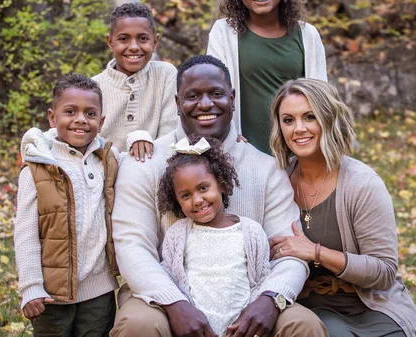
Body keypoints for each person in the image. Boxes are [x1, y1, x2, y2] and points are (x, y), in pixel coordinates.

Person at [110, 55, 328, 337]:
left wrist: (270, 298)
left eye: (216, 94)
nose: (205, 104)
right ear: (177, 102)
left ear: (233, 98)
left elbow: (291, 250)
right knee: (138, 325)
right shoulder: (144, 163)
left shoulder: (266, 169)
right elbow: (132, 247)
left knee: (304, 325)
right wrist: (175, 303)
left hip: (250, 295)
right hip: (162, 299)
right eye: (192, 96)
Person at [267, 78, 416, 337]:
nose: (299, 129)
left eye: (309, 117)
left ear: (328, 119)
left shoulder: (362, 183)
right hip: (308, 309)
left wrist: (315, 251)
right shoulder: (274, 180)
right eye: (288, 120)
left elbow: (383, 271)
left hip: (371, 305)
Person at [14, 73, 119, 336]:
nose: (81, 119)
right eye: (70, 111)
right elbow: (25, 234)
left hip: (98, 289)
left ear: (101, 121)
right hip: (52, 293)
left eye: (90, 113)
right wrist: (31, 287)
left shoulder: (108, 160)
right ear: (52, 117)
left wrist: (143, 137)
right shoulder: (38, 168)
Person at [207, 0, 327, 154]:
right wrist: (228, 137)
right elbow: (214, 94)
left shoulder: (307, 35)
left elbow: (323, 103)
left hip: (297, 158)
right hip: (243, 156)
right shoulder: (223, 33)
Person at [158, 136, 271, 336]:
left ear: (222, 184)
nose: (197, 200)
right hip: (196, 330)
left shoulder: (250, 231)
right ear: (176, 200)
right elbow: (168, 277)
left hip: (241, 330)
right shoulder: (178, 234)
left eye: (203, 188)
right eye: (186, 195)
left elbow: (262, 279)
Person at [93, 2, 178, 160]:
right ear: (110, 42)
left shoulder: (166, 75)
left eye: (143, 39)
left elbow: (171, 137)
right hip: (105, 176)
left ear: (155, 42)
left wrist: (142, 138)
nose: (133, 47)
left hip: (154, 172)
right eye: (124, 39)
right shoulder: (93, 88)